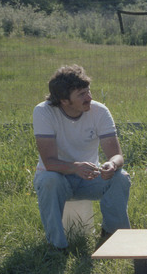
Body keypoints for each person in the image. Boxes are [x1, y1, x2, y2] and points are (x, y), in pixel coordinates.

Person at [33, 65, 131, 250]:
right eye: (81, 95)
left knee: (120, 177)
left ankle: (114, 237)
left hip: (89, 177)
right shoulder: (43, 112)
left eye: (88, 91)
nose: (89, 98)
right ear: (64, 100)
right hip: (57, 177)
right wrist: (74, 167)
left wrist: (111, 164)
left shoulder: (100, 111)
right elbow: (49, 162)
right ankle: (57, 246)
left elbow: (117, 156)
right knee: (48, 180)